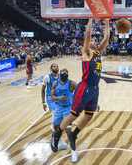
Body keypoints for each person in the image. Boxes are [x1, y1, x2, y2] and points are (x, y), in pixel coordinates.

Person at [59, 19, 110, 162]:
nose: (93, 40)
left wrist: (106, 22)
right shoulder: (86, 52)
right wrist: (91, 20)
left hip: (94, 89)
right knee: (73, 115)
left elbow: (106, 38)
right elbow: (87, 35)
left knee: (89, 116)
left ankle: (74, 133)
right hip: (85, 86)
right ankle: (57, 137)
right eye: (92, 40)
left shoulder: (98, 52)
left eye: (94, 40)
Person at [50, 69, 77, 152]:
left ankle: (73, 150)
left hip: (68, 108)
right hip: (58, 107)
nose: (64, 76)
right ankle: (57, 141)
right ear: (60, 76)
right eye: (63, 75)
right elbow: (52, 97)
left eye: (66, 75)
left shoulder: (72, 83)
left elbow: (80, 92)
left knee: (68, 128)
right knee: (56, 126)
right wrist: (59, 98)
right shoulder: (55, 84)